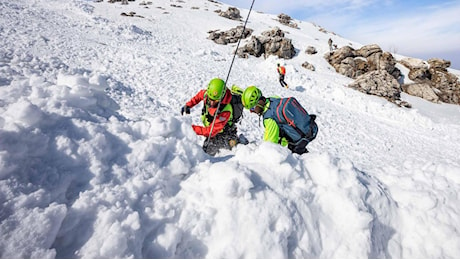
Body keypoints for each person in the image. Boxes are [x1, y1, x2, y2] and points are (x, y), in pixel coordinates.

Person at [241, 86, 318, 154]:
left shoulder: (269, 119)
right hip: (307, 126)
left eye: (252, 108)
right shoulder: (273, 98)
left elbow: (269, 145)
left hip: (301, 139)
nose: (252, 112)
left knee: (299, 160)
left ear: (256, 105)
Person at [181, 78, 239, 156]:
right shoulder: (208, 94)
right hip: (212, 130)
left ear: (222, 97)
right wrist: (188, 105)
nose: (211, 102)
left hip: (222, 135)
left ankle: (236, 143)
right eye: (210, 99)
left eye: (215, 100)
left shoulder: (226, 110)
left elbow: (210, 132)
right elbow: (199, 95)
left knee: (206, 154)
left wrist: (190, 128)